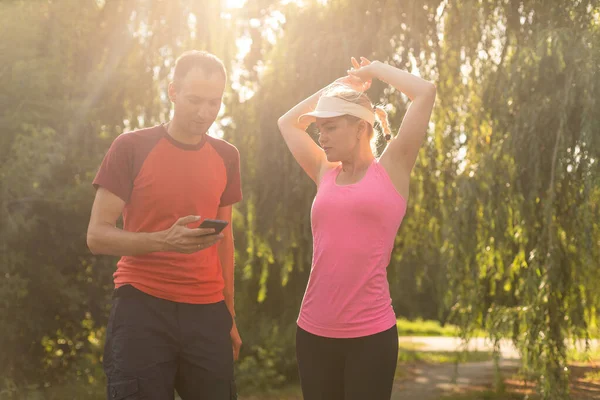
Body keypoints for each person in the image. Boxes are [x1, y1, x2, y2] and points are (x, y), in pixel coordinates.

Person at [277, 56, 436, 400]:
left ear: (362, 127)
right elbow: (287, 123)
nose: (322, 137)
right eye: (320, 128)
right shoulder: (324, 170)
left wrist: (374, 69)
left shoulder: (393, 167)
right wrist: (341, 85)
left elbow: (425, 92)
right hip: (313, 331)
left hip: (371, 335)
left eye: (331, 127)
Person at [87, 50, 242, 400]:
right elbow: (97, 235)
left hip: (207, 312)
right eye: (194, 100)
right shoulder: (131, 147)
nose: (204, 113)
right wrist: (163, 241)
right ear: (173, 91)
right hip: (142, 307)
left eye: (214, 102)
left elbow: (225, 238)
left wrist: (229, 314)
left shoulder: (227, 156)